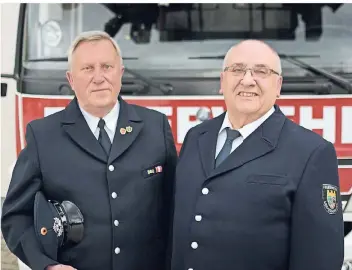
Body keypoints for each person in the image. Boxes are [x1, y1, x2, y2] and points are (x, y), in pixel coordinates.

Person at [1, 30, 177, 270]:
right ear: (71, 79)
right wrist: (46, 265)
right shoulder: (43, 136)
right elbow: (15, 216)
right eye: (87, 68)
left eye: (107, 66)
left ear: (120, 73)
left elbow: (176, 207)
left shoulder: (156, 127)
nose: (99, 77)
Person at [170, 39, 344, 270]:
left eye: (261, 71)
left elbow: (320, 258)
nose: (248, 80)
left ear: (279, 85)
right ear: (222, 81)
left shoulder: (311, 151)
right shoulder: (196, 137)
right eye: (237, 70)